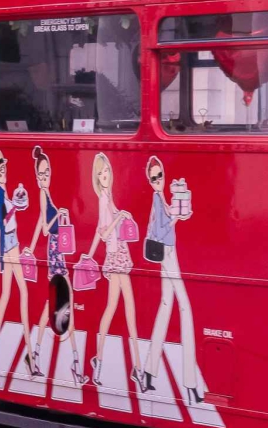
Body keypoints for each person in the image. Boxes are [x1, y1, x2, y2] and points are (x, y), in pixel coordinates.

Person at [142, 156, 203, 403]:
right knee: (184, 307)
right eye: (154, 178)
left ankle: (148, 371)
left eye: (160, 176)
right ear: (150, 180)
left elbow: (164, 222)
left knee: (166, 306)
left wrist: (180, 213)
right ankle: (190, 384)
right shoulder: (157, 199)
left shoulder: (161, 199)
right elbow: (161, 230)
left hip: (168, 251)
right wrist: (179, 217)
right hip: (166, 252)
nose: (158, 181)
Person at [25, 146, 86, 386]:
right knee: (65, 305)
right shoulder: (43, 195)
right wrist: (58, 215)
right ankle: (74, 365)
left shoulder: (48, 193)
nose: (44, 177)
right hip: (54, 253)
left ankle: (35, 356)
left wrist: (29, 247)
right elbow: (45, 226)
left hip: (55, 252)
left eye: (47, 172)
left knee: (54, 307)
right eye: (41, 174)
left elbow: (39, 223)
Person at [85, 153, 143, 393]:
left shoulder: (108, 197)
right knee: (123, 308)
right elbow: (104, 232)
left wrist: (123, 214)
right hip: (115, 256)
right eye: (100, 173)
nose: (105, 176)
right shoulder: (102, 199)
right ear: (97, 178)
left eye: (106, 171)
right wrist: (119, 217)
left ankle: (102, 361)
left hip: (120, 254)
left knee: (119, 308)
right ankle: (134, 368)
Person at [0, 150, 36, 376]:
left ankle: (2, 349)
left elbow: (17, 208)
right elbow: (3, 217)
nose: (3, 174)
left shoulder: (3, 192)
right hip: (8, 245)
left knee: (11, 294)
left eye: (4, 170)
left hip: (12, 242)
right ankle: (28, 354)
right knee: (19, 293)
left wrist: (19, 198)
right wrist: (17, 201)